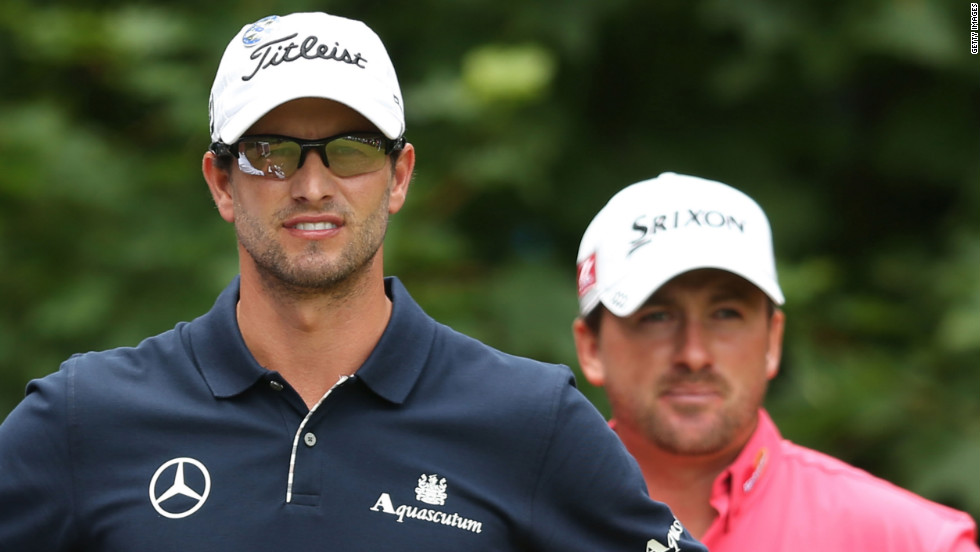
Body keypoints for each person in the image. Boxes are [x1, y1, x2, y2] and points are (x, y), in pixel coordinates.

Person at [0, 12, 708, 552]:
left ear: (399, 177)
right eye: (271, 153)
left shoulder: (529, 420)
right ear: (221, 182)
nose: (312, 184)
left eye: (351, 150)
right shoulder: (83, 419)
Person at [571, 171, 979, 551]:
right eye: (656, 317)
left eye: (726, 313)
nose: (694, 354)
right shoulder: (521, 523)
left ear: (774, 340)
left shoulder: (916, 542)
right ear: (591, 349)